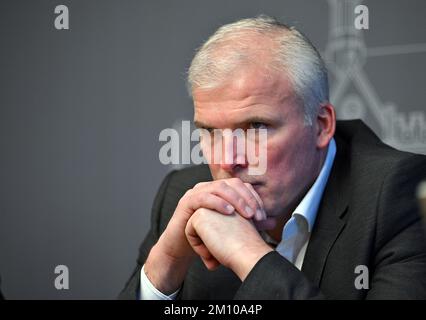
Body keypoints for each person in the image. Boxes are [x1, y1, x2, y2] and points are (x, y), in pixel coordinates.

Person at [119, 15, 426, 300]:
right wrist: (165, 266)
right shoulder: (184, 195)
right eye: (211, 131)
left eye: (255, 127)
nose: (228, 161)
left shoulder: (400, 196)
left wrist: (249, 257)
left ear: (321, 126)